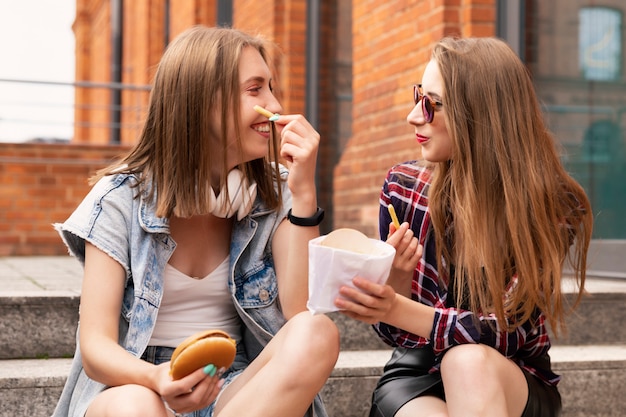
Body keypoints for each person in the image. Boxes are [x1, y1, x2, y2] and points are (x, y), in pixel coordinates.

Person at [52, 25, 339, 417]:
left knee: (316, 331)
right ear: (203, 101)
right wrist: (158, 379)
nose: (274, 103)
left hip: (235, 391)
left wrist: (305, 195)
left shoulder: (279, 192)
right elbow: (96, 348)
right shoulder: (117, 199)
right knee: (136, 406)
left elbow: (296, 313)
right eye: (255, 89)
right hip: (138, 384)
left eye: (271, 87)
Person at [335, 36, 593, 417]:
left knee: (467, 361)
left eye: (433, 104)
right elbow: (399, 335)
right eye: (417, 96)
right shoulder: (403, 188)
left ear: (481, 114)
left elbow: (505, 331)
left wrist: (394, 306)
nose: (414, 116)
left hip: (510, 375)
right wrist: (397, 285)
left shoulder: (549, 205)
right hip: (418, 371)